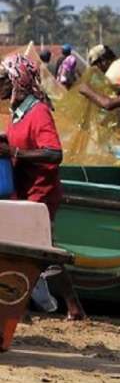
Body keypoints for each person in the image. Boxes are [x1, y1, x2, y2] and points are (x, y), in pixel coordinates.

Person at [0, 54, 86, 321]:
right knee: (34, 249)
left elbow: (53, 153)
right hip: (24, 190)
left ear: (17, 80)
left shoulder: (38, 112)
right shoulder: (18, 112)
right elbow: (18, 141)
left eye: (2, 79)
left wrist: (15, 152)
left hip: (41, 191)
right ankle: (58, 307)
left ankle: (69, 307)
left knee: (41, 250)